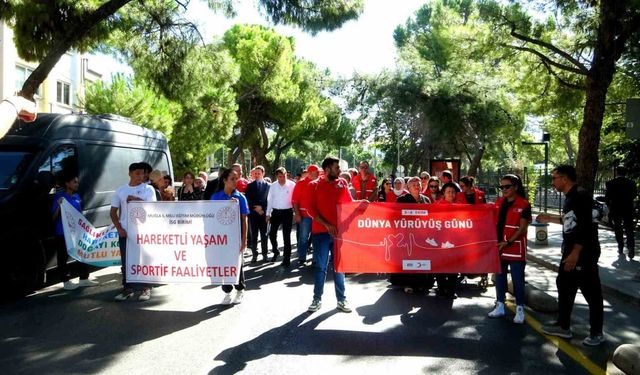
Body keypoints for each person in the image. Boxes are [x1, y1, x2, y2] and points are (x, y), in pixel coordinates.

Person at [537, 165, 605, 346]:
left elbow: (587, 227)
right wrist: (549, 218)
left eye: (554, 178)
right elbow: (570, 220)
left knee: (591, 292)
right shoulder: (570, 197)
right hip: (571, 251)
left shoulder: (580, 196)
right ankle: (563, 326)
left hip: (584, 253)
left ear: (564, 178)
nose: (552, 182)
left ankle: (597, 332)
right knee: (565, 286)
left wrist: (575, 253)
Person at [306, 156, 360, 313]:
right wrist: (327, 225)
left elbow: (349, 204)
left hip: (338, 234)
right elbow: (310, 210)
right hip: (320, 234)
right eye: (337, 168)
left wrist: (362, 204)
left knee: (339, 267)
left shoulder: (342, 183)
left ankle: (341, 300)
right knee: (320, 268)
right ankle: (317, 299)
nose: (340, 171)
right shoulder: (313, 185)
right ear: (327, 169)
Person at [487, 174, 531, 324]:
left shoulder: (524, 204)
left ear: (516, 187)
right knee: (499, 278)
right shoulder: (499, 202)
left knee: (518, 280)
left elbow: (523, 228)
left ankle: (519, 309)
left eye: (507, 186)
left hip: (515, 248)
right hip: (499, 247)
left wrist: (509, 241)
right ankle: (500, 305)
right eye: (502, 187)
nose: (504, 189)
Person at [111, 162, 157, 301]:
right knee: (126, 260)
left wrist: (136, 199)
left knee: (144, 259)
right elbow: (113, 212)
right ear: (130, 173)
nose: (140, 176)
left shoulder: (148, 189)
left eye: (143, 173)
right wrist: (119, 228)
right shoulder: (120, 191)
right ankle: (127, 288)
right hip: (126, 231)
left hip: (144, 231)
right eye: (137, 173)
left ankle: (145, 288)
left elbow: (153, 208)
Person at [51, 172, 99, 290]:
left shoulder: (77, 197)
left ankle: (83, 279)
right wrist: (58, 206)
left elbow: (79, 216)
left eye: (77, 182)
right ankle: (66, 281)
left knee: (81, 254)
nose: (77, 184)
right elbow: (53, 217)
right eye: (74, 182)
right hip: (62, 233)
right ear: (67, 184)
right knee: (63, 257)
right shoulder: (59, 197)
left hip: (76, 233)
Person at [212, 168, 249, 305]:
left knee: (237, 264)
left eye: (236, 178)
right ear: (224, 180)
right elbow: (211, 217)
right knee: (223, 263)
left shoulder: (240, 197)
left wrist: (244, 239)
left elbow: (245, 220)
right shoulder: (216, 197)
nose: (235, 181)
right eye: (232, 179)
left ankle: (240, 289)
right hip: (221, 236)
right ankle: (227, 291)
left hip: (236, 236)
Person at [389, 177, 433, 293]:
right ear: (408, 188)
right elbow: (395, 216)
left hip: (422, 235)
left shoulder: (426, 200)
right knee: (408, 259)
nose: (417, 187)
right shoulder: (401, 200)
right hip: (407, 236)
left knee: (421, 259)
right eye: (414, 185)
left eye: (418, 185)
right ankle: (408, 284)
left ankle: (421, 283)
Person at [433, 182, 461, 299]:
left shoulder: (460, 206)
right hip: (440, 239)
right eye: (448, 191)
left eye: (453, 192)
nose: (451, 194)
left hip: (455, 240)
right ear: (443, 193)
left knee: (454, 266)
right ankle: (441, 288)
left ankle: (451, 290)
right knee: (440, 265)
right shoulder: (437, 205)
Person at [605, 166, 637, 259]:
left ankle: (620, 246)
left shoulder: (610, 183)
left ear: (616, 172)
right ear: (625, 173)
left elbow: (607, 198)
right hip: (628, 209)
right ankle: (631, 247)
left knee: (618, 228)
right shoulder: (631, 183)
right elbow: (634, 195)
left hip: (616, 209)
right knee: (629, 229)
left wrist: (610, 206)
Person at [266, 167, 296, 266]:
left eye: (284, 176)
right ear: (276, 176)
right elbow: (270, 200)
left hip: (287, 212)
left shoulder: (292, 185)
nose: (282, 178)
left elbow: (295, 200)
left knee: (286, 235)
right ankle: (275, 251)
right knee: (271, 233)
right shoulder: (273, 186)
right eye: (280, 176)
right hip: (276, 212)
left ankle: (286, 258)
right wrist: (267, 213)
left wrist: (296, 213)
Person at [292, 164, 320, 266]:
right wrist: (297, 214)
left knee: (317, 237)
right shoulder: (301, 183)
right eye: (314, 173)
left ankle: (316, 258)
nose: (316, 175)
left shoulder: (320, 182)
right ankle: (302, 257)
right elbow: (295, 200)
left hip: (317, 216)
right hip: (305, 215)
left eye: (317, 173)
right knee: (303, 237)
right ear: (309, 173)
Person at [245, 165, 270, 263]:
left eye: (259, 173)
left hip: (264, 214)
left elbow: (270, 199)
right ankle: (254, 255)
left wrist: (263, 208)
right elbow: (248, 199)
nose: (257, 175)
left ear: (263, 174)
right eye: (255, 173)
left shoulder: (268, 186)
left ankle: (265, 255)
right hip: (254, 214)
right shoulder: (250, 186)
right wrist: (256, 208)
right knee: (254, 235)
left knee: (264, 235)